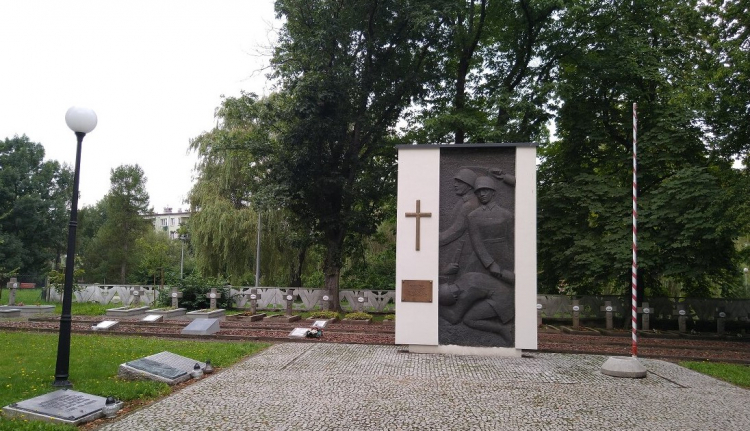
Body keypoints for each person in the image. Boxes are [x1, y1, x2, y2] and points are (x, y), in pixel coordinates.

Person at [467, 176, 514, 284]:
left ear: (493, 192)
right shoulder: (473, 216)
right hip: (481, 260)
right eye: (478, 192)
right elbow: (476, 242)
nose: (482, 194)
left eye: (485, 190)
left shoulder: (506, 214)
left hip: (504, 257)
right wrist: (490, 264)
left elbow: (511, 240)